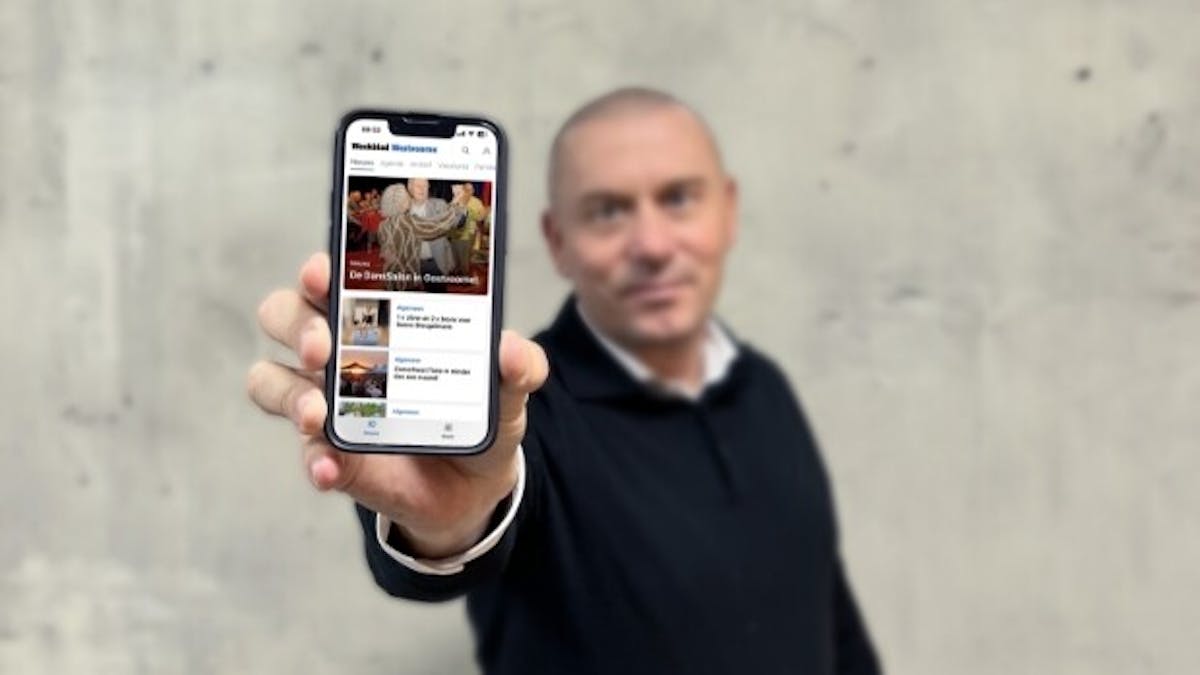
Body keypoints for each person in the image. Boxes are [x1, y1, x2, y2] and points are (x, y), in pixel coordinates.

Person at [248, 87, 882, 674]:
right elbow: (486, 501)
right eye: (608, 211)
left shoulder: (765, 389)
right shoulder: (523, 412)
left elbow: (832, 626)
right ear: (558, 240)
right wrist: (447, 525)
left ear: (728, 211)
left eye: (679, 199)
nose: (653, 245)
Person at [450, 182, 488, 275]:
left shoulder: (477, 202)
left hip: (468, 234)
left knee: (465, 257)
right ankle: (457, 272)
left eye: (470, 190)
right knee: (455, 255)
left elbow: (481, 217)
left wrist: (476, 214)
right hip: (454, 234)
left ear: (473, 191)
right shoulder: (457, 199)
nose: (467, 191)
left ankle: (464, 274)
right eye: (466, 189)